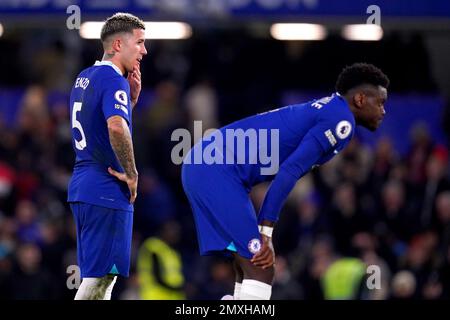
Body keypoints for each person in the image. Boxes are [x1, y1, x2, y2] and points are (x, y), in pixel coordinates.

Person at [181, 63, 389, 300]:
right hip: (215, 170)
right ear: (360, 99)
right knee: (262, 267)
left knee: (247, 267)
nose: (383, 111)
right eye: (380, 103)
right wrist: (265, 232)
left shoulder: (331, 110)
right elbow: (289, 171)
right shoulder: (342, 121)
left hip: (207, 165)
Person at [67, 12, 147, 300]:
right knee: (100, 281)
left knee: (98, 279)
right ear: (117, 45)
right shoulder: (114, 80)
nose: (144, 51)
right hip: (105, 188)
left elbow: (103, 126)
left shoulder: (84, 77)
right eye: (139, 43)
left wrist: (131, 104)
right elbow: (115, 127)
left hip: (84, 184)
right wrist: (132, 172)